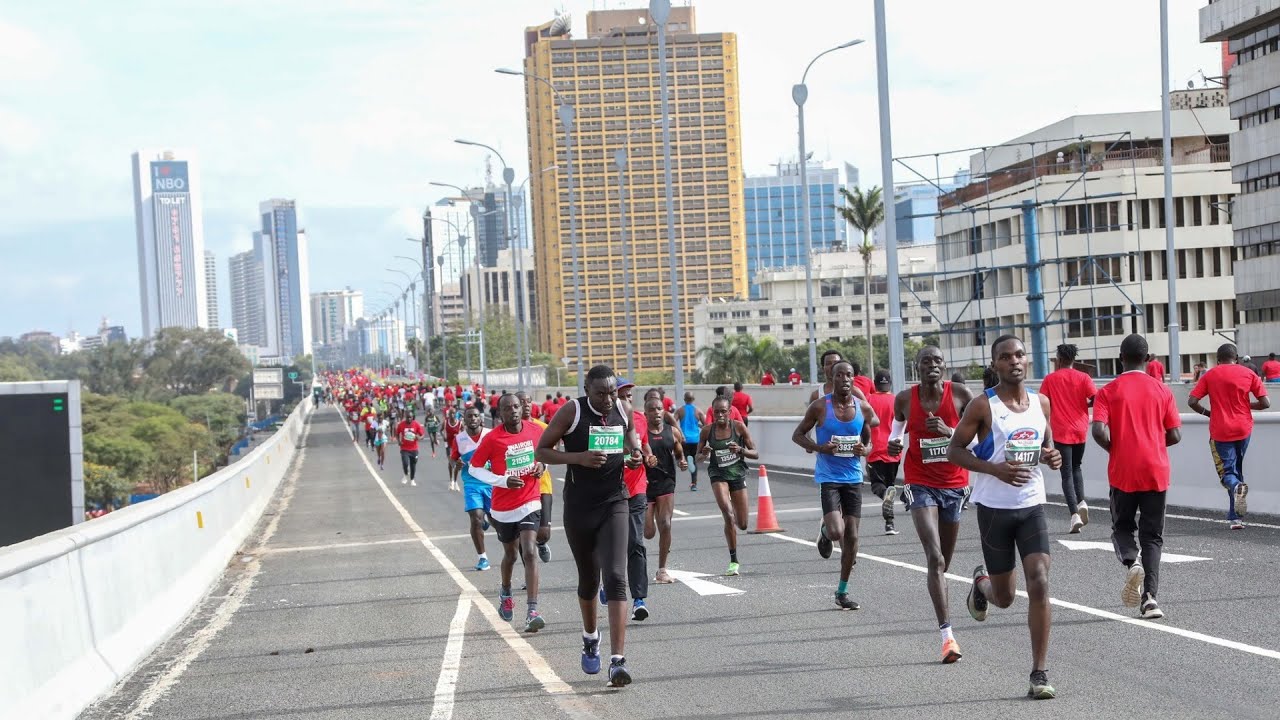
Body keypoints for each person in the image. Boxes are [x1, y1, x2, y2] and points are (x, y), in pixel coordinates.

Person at [948, 335, 1063, 700]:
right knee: (1006, 597)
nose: (1014, 361)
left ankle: (1038, 673)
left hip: (1031, 505)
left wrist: (1051, 456)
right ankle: (981, 584)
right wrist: (994, 470)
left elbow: (1046, 446)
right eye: (1005, 357)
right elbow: (954, 451)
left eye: (1019, 355)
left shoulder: (1042, 402)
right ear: (995, 364)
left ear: (1027, 360)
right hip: (995, 509)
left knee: (1040, 582)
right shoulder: (983, 406)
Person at [536, 365, 644, 687]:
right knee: (588, 580)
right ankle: (590, 636)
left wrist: (634, 453)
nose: (609, 399)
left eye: (612, 392)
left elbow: (630, 438)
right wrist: (579, 458)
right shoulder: (571, 411)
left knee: (615, 577)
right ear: (587, 389)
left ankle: (618, 661)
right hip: (580, 508)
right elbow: (542, 450)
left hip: (615, 501)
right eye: (601, 394)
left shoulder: (622, 408)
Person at [888, 346, 974, 664]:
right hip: (919, 481)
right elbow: (896, 428)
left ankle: (977, 584)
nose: (933, 366)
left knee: (944, 564)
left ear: (944, 366)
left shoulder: (962, 394)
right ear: (918, 367)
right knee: (934, 558)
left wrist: (950, 432)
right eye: (927, 361)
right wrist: (894, 441)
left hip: (954, 485)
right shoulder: (905, 399)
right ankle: (947, 637)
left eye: (938, 361)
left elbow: (981, 439)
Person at [1091, 334, 1181, 620]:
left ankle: (1131, 563)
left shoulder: (1108, 391)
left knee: (1122, 527)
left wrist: (1114, 447)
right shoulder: (1162, 390)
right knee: (1153, 537)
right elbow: (1175, 435)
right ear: (1148, 358)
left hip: (1123, 471)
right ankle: (1150, 599)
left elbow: (1097, 430)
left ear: (1121, 358)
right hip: (1156, 469)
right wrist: (1152, 442)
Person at [791, 360, 878, 610]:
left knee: (852, 538)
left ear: (854, 379)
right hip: (828, 478)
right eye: (840, 375)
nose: (844, 379)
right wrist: (819, 448)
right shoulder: (820, 407)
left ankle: (842, 591)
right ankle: (826, 533)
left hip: (853, 478)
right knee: (838, 532)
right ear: (833, 378)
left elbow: (869, 441)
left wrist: (865, 449)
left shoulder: (862, 408)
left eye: (849, 375)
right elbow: (797, 435)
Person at [468, 394, 550, 632]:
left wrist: (541, 466)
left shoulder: (535, 431)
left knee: (530, 551)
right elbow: (474, 469)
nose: (514, 411)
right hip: (503, 507)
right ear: (500, 413)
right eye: (508, 408)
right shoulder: (493, 439)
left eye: (516, 406)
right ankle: (505, 591)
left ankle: (532, 611)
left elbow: (546, 455)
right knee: (511, 555)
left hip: (530, 501)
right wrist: (501, 481)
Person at [1188, 343, 1270, 529]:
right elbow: (1265, 403)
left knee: (1227, 473)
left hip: (1220, 430)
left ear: (1218, 359)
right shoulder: (1248, 373)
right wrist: (1248, 406)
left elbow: (1192, 401)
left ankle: (1236, 493)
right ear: (1237, 358)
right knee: (1236, 469)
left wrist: (1208, 413)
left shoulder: (1210, 375)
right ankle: (1236, 518)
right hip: (1244, 428)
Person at [1038, 344, 1096, 534]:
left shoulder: (1050, 379)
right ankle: (1082, 502)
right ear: (1073, 359)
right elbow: (1095, 398)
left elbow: (1042, 402)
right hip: (1081, 429)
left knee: (1066, 473)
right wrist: (1083, 404)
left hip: (1062, 430)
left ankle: (1074, 515)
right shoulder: (1084, 377)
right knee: (1077, 467)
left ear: (1059, 359)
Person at [697, 396, 759, 576]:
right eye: (716, 412)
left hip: (737, 474)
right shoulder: (707, 431)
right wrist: (704, 453)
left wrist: (740, 450)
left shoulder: (739, 427)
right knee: (727, 513)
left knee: (743, 524)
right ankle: (734, 561)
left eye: (723, 411)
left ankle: (734, 517)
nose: (720, 415)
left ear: (730, 412)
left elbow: (755, 453)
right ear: (712, 412)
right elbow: (698, 457)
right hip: (718, 475)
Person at [615, 380, 653, 621]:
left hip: (637, 487)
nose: (628, 398)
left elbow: (644, 444)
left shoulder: (639, 418)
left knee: (636, 542)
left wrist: (647, 456)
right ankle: (607, 584)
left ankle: (639, 599)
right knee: (611, 544)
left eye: (630, 395)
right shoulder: (602, 422)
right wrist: (623, 458)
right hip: (610, 488)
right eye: (623, 395)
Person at [644, 395, 686, 585]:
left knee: (666, 525)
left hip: (666, 482)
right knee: (648, 532)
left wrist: (682, 461)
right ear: (646, 413)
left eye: (659, 408)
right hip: (644, 485)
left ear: (664, 411)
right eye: (652, 409)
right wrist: (645, 459)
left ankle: (662, 570)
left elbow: (678, 452)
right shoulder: (641, 433)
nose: (656, 412)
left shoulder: (672, 432)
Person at [452, 407, 493, 570]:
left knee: (498, 522)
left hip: (492, 483)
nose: (473, 419)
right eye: (470, 416)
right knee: (475, 518)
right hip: (472, 484)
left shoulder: (490, 434)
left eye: (476, 416)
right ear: (465, 420)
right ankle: (482, 558)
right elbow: (453, 459)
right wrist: (457, 463)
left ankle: (489, 520)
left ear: (480, 418)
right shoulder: (459, 439)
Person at [517, 391, 554, 563]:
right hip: (520, 489)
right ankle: (528, 574)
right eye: (521, 402)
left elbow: (552, 453)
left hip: (542, 485)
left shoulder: (543, 428)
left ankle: (541, 543)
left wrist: (543, 465)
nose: (525, 405)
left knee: (543, 532)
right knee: (523, 536)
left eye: (528, 401)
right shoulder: (510, 431)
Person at [865, 371, 902, 535]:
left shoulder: (869, 399)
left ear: (875, 383)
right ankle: (890, 524)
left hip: (875, 450)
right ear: (890, 383)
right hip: (894, 450)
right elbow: (904, 426)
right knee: (890, 486)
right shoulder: (896, 400)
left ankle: (885, 495)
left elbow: (862, 422)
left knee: (877, 486)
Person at [676, 391, 704, 491]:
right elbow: (706, 425)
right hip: (696, 440)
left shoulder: (680, 411)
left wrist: (679, 432)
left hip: (684, 439)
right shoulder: (698, 411)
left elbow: (673, 423)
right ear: (693, 399)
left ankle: (683, 461)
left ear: (684, 399)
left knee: (686, 458)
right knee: (693, 461)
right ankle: (694, 484)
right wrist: (698, 425)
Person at [394, 412, 425, 487]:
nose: (409, 419)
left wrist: (419, 438)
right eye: (407, 417)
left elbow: (422, 435)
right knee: (405, 463)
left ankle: (412, 480)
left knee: (413, 464)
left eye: (410, 417)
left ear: (412, 417)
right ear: (405, 417)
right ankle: (405, 475)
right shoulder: (401, 424)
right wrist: (399, 441)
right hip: (404, 448)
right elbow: (397, 433)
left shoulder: (416, 424)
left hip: (414, 449)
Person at [444, 408, 463, 492]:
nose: (452, 415)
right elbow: (441, 430)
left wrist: (459, 435)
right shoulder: (445, 422)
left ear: (456, 414)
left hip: (457, 446)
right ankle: (451, 480)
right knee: (451, 463)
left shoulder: (459, 423)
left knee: (457, 464)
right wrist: (443, 436)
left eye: (453, 413)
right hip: (448, 445)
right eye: (450, 413)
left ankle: (455, 482)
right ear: (449, 414)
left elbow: (464, 433)